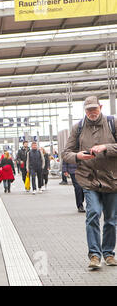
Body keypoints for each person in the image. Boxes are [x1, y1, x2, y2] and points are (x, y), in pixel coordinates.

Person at [62, 95, 117, 269]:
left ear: (100, 107)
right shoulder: (77, 128)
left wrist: (106, 147)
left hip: (112, 179)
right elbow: (66, 153)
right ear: (84, 110)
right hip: (88, 179)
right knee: (92, 213)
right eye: (88, 110)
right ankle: (94, 255)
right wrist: (77, 156)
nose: (92, 112)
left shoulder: (112, 124)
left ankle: (108, 253)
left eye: (94, 109)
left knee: (111, 219)